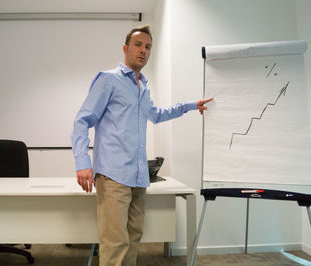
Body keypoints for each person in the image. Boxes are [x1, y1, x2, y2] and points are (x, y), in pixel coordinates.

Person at [71, 24, 213, 266]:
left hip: (138, 177)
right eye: (138, 45)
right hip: (113, 174)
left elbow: (157, 114)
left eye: (148, 47)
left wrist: (190, 105)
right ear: (126, 48)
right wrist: (82, 162)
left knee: (134, 237)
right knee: (115, 242)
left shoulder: (143, 88)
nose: (143, 50)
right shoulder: (108, 80)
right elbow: (82, 120)